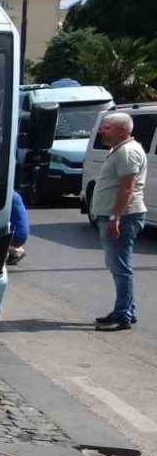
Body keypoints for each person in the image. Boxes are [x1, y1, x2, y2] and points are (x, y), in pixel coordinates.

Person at [91, 112, 148, 332]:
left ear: (122, 130)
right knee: (117, 266)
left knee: (120, 267)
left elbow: (127, 187)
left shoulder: (127, 152)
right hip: (114, 216)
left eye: (107, 127)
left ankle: (123, 315)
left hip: (123, 217)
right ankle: (125, 310)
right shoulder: (119, 150)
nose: (101, 131)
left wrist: (115, 217)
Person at [7, 190, 29, 265]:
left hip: (16, 234)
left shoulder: (8, 197)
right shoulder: (15, 195)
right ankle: (14, 250)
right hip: (21, 233)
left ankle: (16, 251)